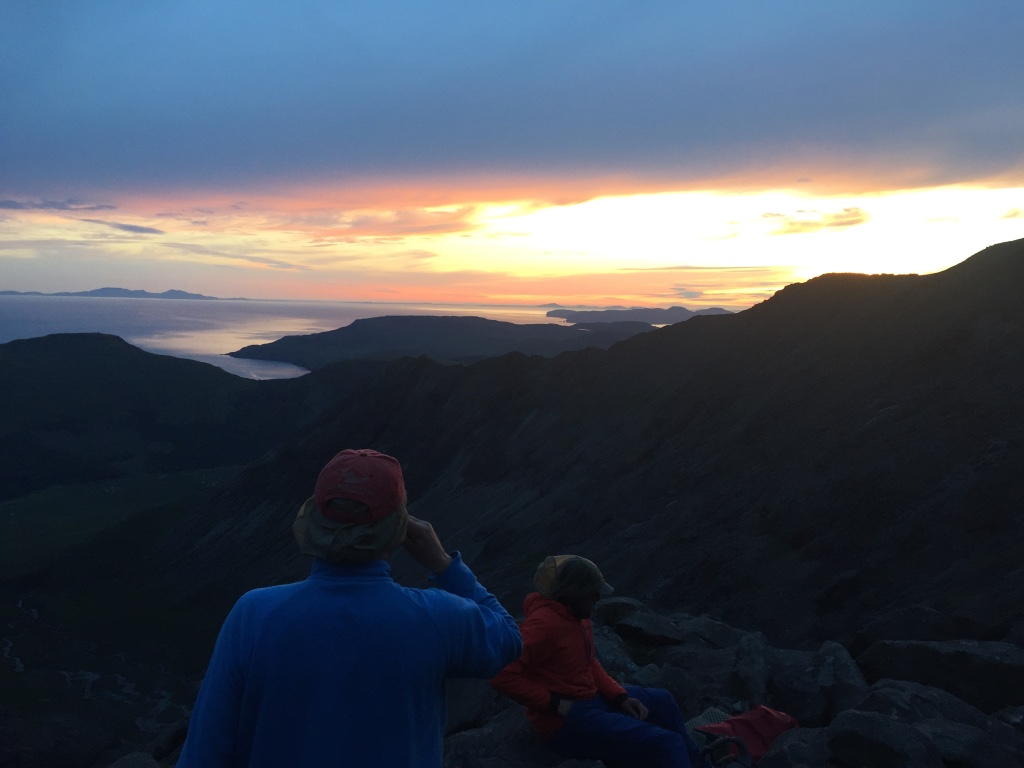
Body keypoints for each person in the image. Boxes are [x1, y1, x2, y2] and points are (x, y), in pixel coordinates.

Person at [178, 448, 522, 768]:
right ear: (399, 528)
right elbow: (508, 638)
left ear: (313, 518)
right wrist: (444, 564)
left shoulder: (254, 614)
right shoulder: (439, 618)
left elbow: (205, 751)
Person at [491, 555, 701, 768]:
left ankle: (699, 762)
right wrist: (552, 703)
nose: (598, 597)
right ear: (574, 593)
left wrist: (620, 697)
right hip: (565, 721)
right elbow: (500, 673)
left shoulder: (578, 617)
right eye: (593, 592)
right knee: (667, 742)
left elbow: (588, 662)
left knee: (663, 699)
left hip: (592, 700)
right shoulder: (543, 626)